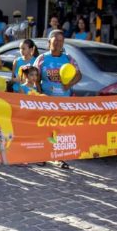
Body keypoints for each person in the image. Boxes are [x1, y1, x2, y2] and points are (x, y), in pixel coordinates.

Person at [34, 30, 82, 169]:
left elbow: (79, 75)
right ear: (49, 43)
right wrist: (39, 91)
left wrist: (69, 84)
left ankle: (58, 157)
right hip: (46, 102)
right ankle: (41, 156)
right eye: (55, 41)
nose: (58, 44)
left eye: (61, 41)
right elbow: (35, 77)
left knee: (60, 130)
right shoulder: (42, 58)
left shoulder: (69, 59)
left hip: (64, 103)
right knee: (45, 129)